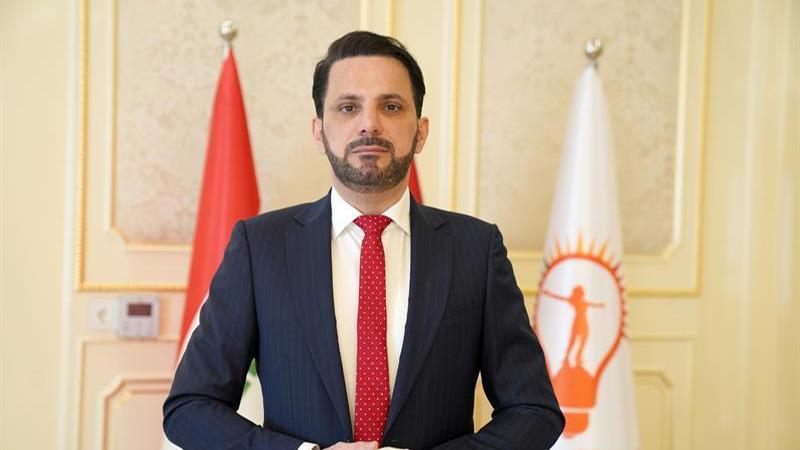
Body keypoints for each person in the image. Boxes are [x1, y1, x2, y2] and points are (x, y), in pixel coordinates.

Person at [163, 31, 564, 450]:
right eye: (348, 107)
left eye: (390, 106)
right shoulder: (260, 247)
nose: (369, 124)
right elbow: (190, 407)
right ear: (319, 131)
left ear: (420, 132)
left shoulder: (476, 249)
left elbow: (533, 410)